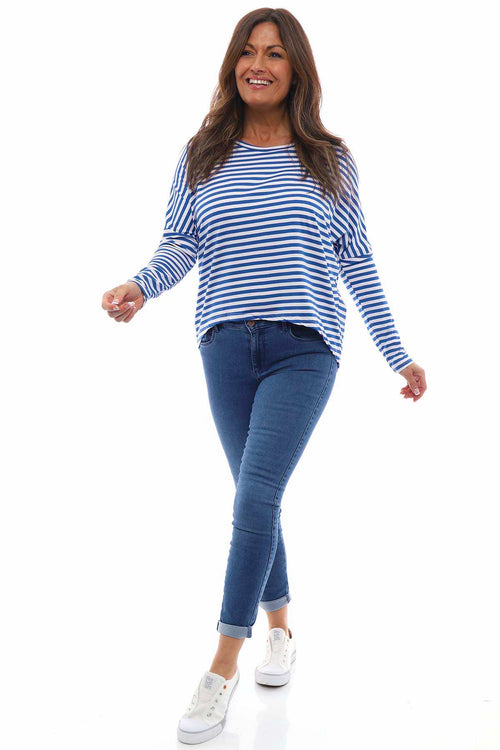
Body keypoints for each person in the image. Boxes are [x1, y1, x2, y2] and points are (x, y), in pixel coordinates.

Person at [101, 8, 427, 744]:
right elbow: (180, 244)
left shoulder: (329, 160)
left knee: (253, 496)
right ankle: (281, 627)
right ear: (233, 65)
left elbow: (357, 261)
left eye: (275, 53)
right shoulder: (202, 153)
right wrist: (140, 286)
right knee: (259, 496)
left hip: (305, 349)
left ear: (296, 68)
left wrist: (396, 353)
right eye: (248, 52)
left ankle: (221, 667)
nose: (260, 64)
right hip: (223, 345)